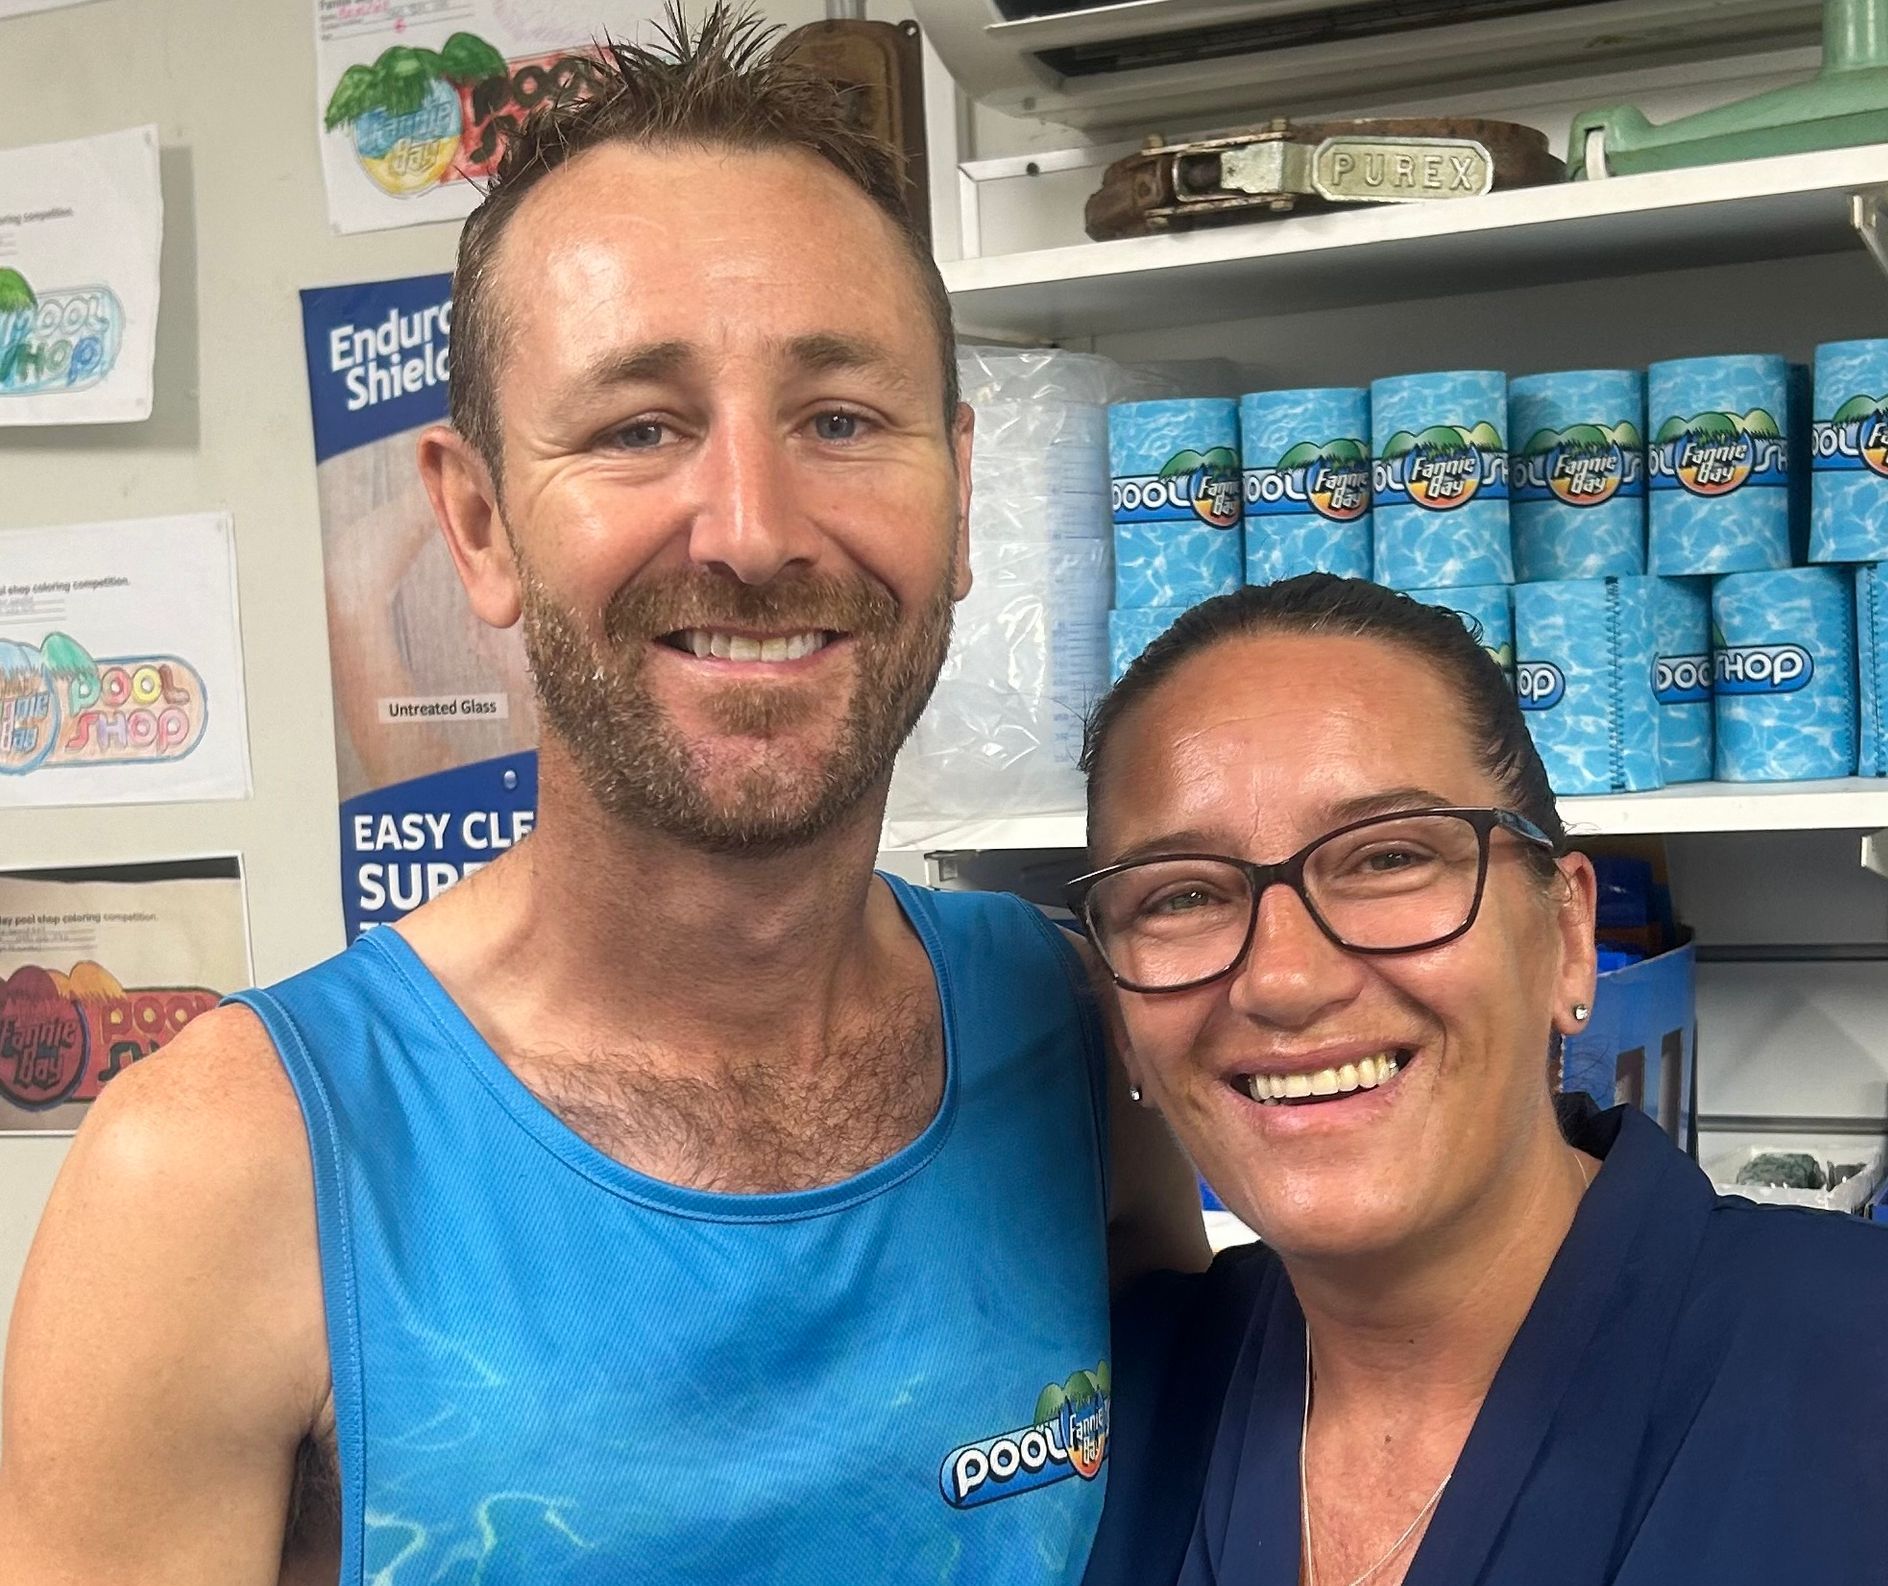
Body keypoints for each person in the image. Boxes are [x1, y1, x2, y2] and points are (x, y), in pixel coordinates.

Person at [0, 12, 1205, 1585]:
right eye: (639, 427)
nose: (756, 530)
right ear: (480, 520)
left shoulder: (1058, 1022)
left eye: (840, 419)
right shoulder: (225, 1166)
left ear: (960, 495)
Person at [1073, 575, 1888, 1586]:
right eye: (1182, 893)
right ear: (1116, 1006)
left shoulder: (1855, 1358)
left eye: (1387, 857)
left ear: (1567, 936)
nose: (1282, 976)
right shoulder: (1104, 1417)